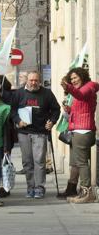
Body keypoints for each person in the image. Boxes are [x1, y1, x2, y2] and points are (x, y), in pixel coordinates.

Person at [11, 71, 60, 199]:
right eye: (31, 80)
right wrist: (18, 120)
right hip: (24, 132)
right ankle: (30, 187)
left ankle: (39, 187)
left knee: (39, 161)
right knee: (27, 161)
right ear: (27, 80)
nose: (33, 83)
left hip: (40, 132)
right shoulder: (19, 93)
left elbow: (56, 109)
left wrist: (52, 122)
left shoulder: (47, 93)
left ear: (39, 81)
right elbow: (13, 110)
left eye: (36, 80)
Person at [61, 67, 98, 203]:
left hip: (83, 131)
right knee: (81, 162)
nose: (73, 80)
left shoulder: (89, 87)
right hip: (81, 130)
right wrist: (69, 110)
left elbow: (81, 95)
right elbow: (82, 107)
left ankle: (87, 193)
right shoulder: (84, 89)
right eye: (71, 79)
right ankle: (84, 192)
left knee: (82, 163)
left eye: (75, 77)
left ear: (82, 76)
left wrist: (68, 87)